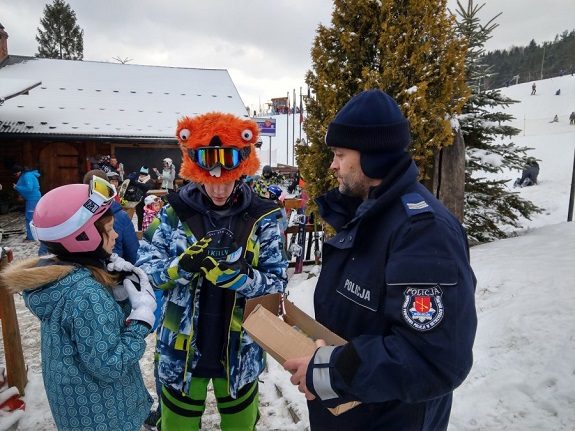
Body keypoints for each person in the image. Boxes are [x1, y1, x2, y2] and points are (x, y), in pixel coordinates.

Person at [283, 90, 477, 431]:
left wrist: (329, 370)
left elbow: (432, 358)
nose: (333, 165)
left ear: (373, 157)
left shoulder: (421, 233)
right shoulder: (368, 217)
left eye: (340, 154)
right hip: (352, 414)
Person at [136, 111, 288, 430]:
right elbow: (144, 274)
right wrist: (180, 268)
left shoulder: (264, 217)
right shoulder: (173, 214)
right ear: (196, 171)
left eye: (227, 181)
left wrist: (243, 278)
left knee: (240, 427)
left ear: (242, 172)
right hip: (181, 349)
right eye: (210, 181)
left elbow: (277, 283)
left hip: (240, 351)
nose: (219, 191)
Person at [0, 176, 157, 431]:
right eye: (109, 229)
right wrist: (141, 318)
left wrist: (118, 297)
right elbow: (110, 365)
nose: (116, 234)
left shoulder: (62, 280)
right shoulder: (85, 294)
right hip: (106, 416)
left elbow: (93, 336)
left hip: (80, 410)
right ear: (83, 238)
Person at [12, 164, 41, 241]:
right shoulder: (27, 175)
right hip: (32, 198)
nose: (16, 176)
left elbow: (29, 188)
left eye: (15, 174)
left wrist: (17, 187)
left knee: (30, 218)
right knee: (34, 217)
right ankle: (36, 235)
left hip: (32, 199)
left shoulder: (26, 176)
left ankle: (31, 237)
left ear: (19, 172)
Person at [126, 166, 156, 231]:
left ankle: (147, 231)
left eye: (143, 174)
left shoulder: (149, 181)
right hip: (139, 201)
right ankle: (140, 231)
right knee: (140, 218)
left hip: (147, 202)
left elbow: (147, 187)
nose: (141, 175)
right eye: (141, 173)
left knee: (147, 218)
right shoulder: (137, 180)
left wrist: (138, 183)